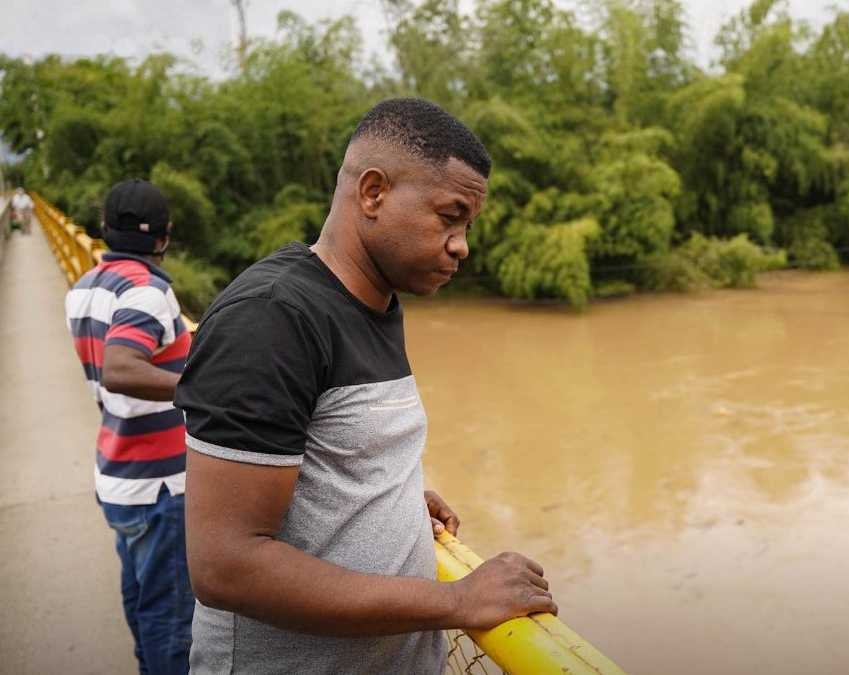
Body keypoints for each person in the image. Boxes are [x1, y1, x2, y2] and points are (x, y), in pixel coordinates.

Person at [175, 98, 556, 674]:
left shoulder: (376, 303)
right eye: (449, 217)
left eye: (467, 226)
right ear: (373, 193)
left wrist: (385, 495)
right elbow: (226, 565)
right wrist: (458, 600)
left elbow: (330, 445)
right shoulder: (271, 318)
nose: (462, 244)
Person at [64, 179, 194, 674]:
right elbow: (120, 368)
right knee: (171, 622)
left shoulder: (84, 288)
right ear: (164, 236)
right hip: (160, 488)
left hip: (119, 473)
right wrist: (198, 391)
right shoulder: (149, 292)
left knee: (141, 600)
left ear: (104, 229)